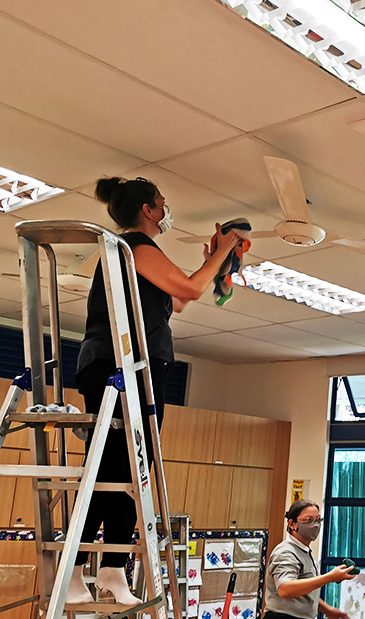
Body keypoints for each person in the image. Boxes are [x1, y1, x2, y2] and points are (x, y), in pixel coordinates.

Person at [67, 176, 243, 604]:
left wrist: (214, 263)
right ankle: (72, 570)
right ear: (147, 210)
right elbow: (189, 289)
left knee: (134, 470)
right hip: (117, 366)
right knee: (110, 470)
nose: (165, 210)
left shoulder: (139, 254)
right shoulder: (133, 247)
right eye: (161, 203)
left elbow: (180, 300)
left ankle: (112, 570)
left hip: (140, 368)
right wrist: (223, 250)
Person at [262, 500, 355, 619]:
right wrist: (330, 577)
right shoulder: (286, 552)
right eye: (309, 520)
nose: (315, 525)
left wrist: (327, 610)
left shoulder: (304, 551)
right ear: (292, 524)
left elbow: (304, 591)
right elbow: (285, 589)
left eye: (318, 520)